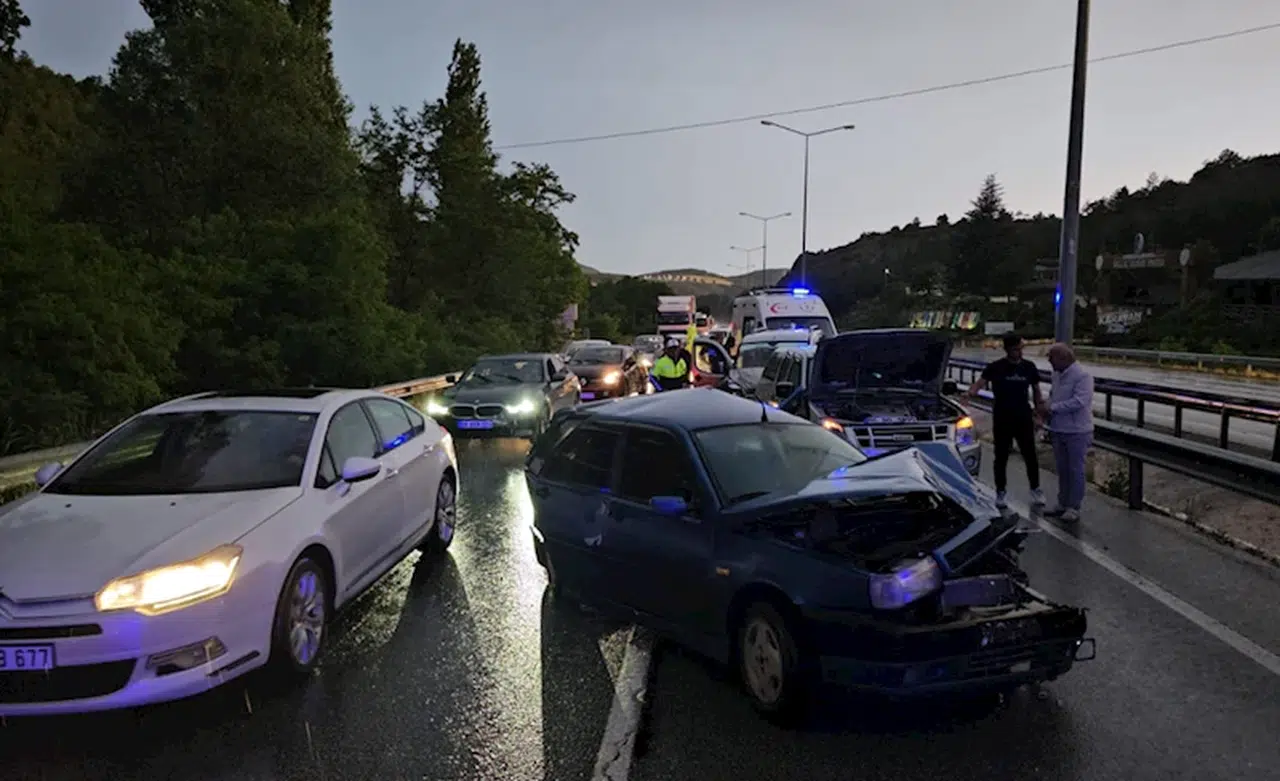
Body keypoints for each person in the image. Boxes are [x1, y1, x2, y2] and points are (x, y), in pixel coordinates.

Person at [967, 333, 1045, 509]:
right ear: (1007, 349)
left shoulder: (1029, 367)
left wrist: (1039, 414)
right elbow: (980, 383)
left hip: (1023, 416)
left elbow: (1037, 391)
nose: (1018, 352)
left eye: (1020, 348)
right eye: (1015, 349)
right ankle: (1000, 492)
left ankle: (1035, 489)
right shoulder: (996, 367)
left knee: (1030, 454)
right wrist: (969, 393)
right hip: (1002, 416)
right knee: (1001, 456)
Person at [1037, 343, 1094, 522]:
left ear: (1063, 358)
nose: (1049, 361)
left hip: (1077, 430)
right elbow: (1054, 395)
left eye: (1051, 357)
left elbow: (1080, 401)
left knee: (1075, 469)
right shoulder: (1057, 375)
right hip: (1058, 428)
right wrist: (1045, 409)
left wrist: (1053, 408)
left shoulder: (1082, 375)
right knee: (1062, 469)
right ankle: (1062, 502)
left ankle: (1074, 506)